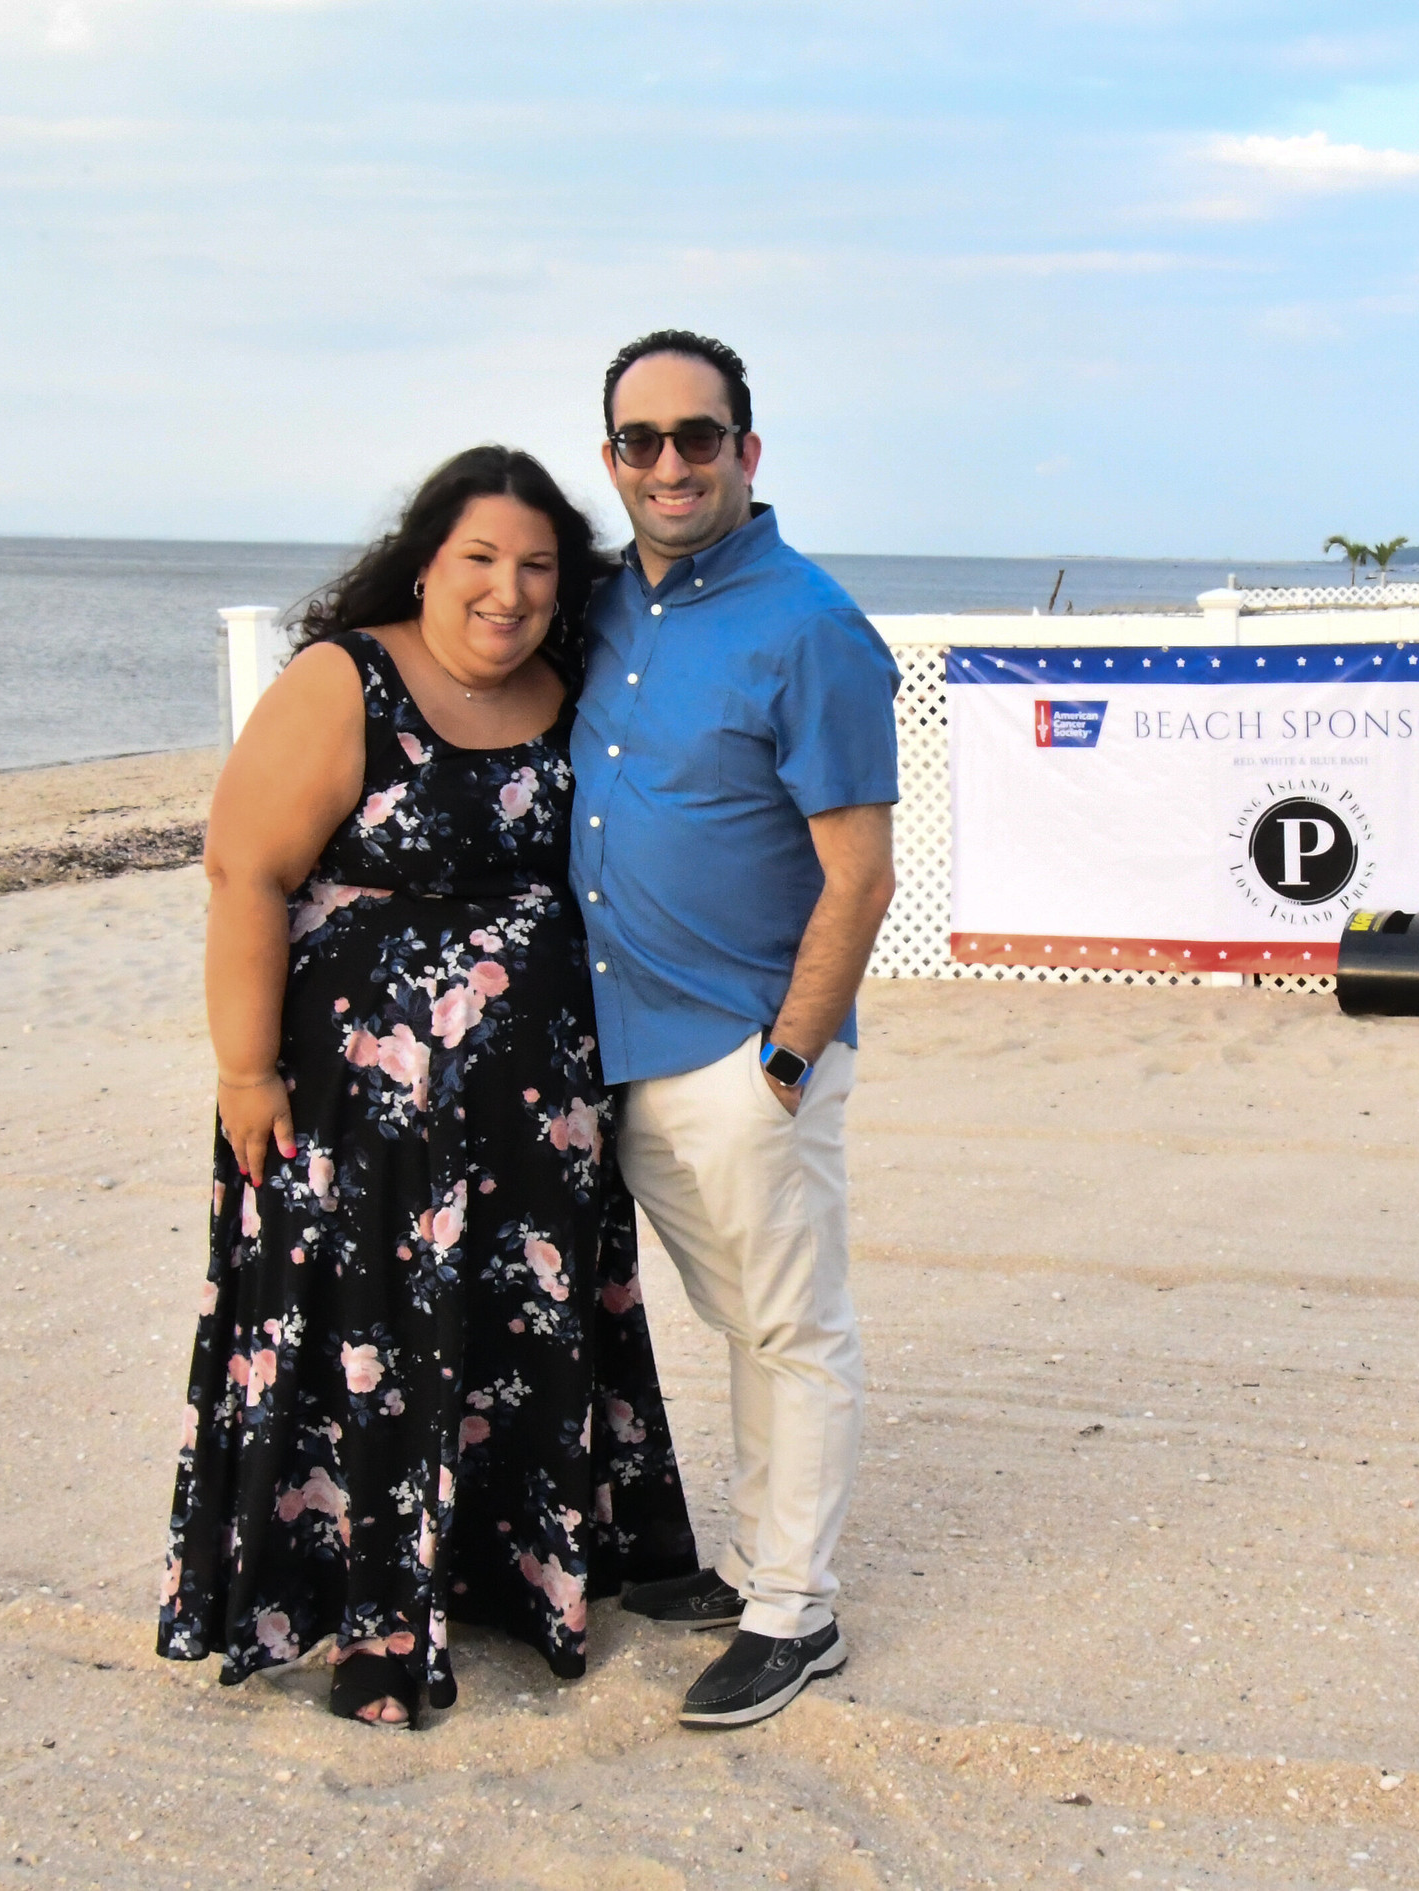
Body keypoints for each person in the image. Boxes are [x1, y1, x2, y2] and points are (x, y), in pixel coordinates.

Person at [158, 446, 699, 1727]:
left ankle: (528, 1580)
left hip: (536, 1119)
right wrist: (242, 1070)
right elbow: (245, 874)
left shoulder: (572, 693)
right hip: (360, 1117)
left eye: (535, 566)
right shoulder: (346, 678)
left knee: (518, 1339)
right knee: (376, 1340)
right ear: (424, 558)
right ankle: (375, 1620)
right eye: (479, 558)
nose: (505, 591)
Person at [573, 331, 901, 1728]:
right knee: (734, 1318)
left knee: (790, 1323)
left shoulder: (808, 625)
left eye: (696, 437)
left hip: (739, 1047)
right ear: (611, 462)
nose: (669, 464)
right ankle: (760, 1561)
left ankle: (796, 1610)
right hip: (622, 1046)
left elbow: (861, 867)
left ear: (745, 453)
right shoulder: (600, 609)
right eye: (640, 441)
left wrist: (789, 1054)